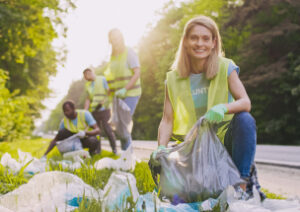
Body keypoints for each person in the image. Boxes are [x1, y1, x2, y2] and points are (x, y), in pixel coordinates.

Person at [152, 16, 265, 200]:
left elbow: (245, 102)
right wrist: (161, 149)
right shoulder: (173, 79)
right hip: (194, 147)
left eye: (206, 38)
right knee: (179, 197)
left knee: (245, 119)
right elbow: (167, 120)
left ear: (214, 42)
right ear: (186, 41)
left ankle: (242, 188)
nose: (200, 43)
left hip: (224, 142)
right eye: (194, 38)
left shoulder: (225, 68)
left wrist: (223, 107)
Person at [104, 28, 141, 150]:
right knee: (119, 127)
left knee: (124, 126)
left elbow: (137, 72)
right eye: (113, 39)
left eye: (118, 38)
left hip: (130, 93)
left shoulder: (129, 52)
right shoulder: (113, 57)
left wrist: (125, 89)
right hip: (117, 96)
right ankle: (126, 157)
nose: (116, 41)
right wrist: (109, 91)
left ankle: (128, 157)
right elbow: (113, 77)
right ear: (110, 41)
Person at [83, 68, 117, 154]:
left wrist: (104, 102)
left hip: (104, 109)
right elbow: (88, 99)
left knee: (107, 129)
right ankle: (98, 150)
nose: (87, 76)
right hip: (94, 111)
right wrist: (85, 111)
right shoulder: (88, 85)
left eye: (87, 74)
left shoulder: (102, 79)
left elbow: (108, 92)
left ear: (91, 72)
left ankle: (114, 149)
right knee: (97, 132)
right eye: (85, 76)